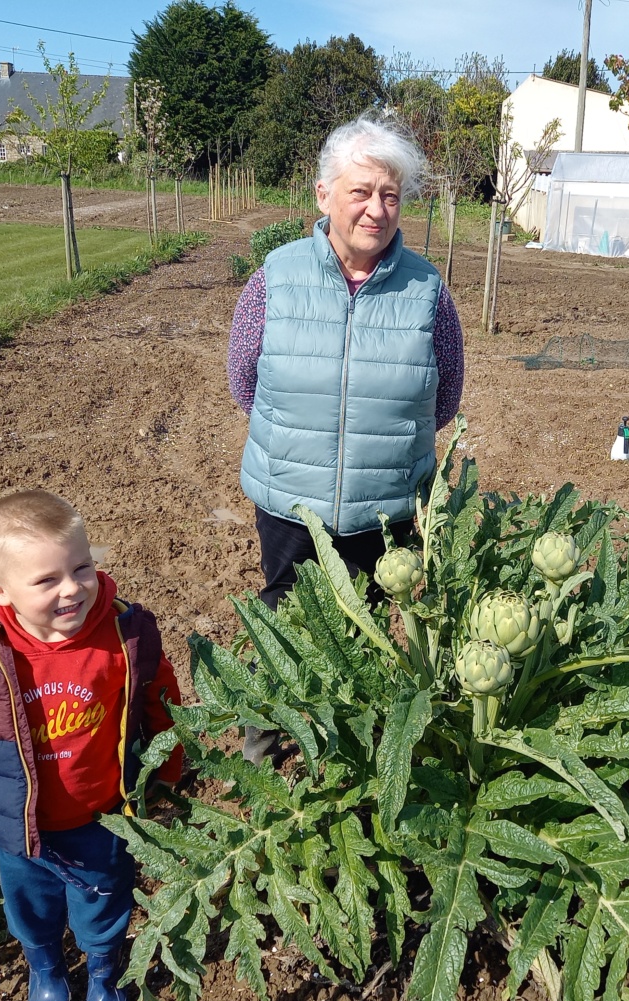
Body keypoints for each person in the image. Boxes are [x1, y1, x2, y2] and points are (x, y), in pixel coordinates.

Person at [228, 114, 464, 764]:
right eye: (360, 191)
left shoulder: (427, 290)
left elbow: (444, 397)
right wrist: (303, 438)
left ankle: (344, 758)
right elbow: (244, 378)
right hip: (289, 494)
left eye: (390, 194)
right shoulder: (274, 276)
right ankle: (266, 752)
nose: (376, 208)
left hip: (382, 504)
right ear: (323, 194)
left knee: (363, 630)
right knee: (282, 622)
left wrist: (377, 447)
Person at [0, 490, 183, 1001]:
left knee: (104, 907)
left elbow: (163, 708)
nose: (72, 589)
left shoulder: (122, 638)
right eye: (46, 580)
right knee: (31, 909)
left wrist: (165, 773)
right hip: (17, 826)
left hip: (102, 818)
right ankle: (45, 968)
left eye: (82, 567)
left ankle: (104, 976)